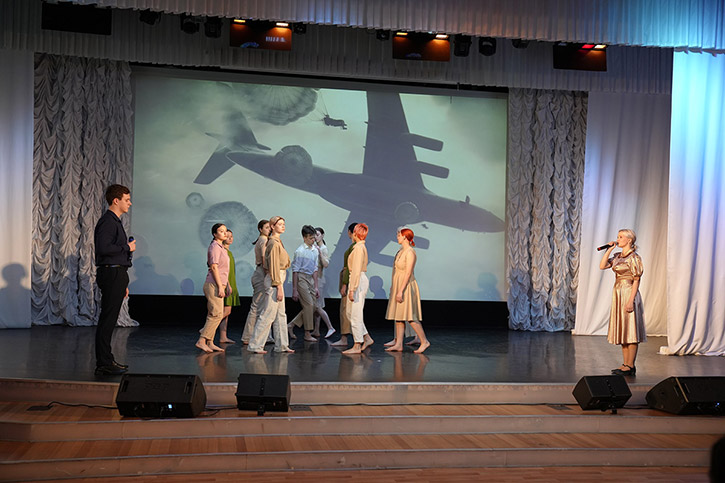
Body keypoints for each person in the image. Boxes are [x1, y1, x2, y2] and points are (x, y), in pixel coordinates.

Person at [93, 184, 136, 375]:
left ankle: (107, 360)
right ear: (116, 201)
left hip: (116, 274)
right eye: (127, 200)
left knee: (109, 319)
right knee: (108, 320)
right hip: (111, 273)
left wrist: (122, 282)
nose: (130, 203)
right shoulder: (108, 222)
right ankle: (104, 362)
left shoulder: (114, 221)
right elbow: (104, 248)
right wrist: (127, 248)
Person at [600, 228, 645, 376]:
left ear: (629, 240)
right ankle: (625, 364)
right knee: (624, 330)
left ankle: (631, 365)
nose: (618, 239)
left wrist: (631, 300)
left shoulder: (634, 257)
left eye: (620, 237)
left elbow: (636, 280)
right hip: (618, 293)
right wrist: (609, 249)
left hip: (628, 292)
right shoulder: (617, 256)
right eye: (618, 237)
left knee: (631, 330)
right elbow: (602, 265)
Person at [247, 216, 294, 354]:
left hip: (278, 278)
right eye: (280, 224)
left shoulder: (277, 241)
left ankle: (282, 345)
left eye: (284, 224)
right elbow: (273, 266)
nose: (283, 226)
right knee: (268, 313)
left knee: (280, 314)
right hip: (275, 280)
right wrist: (278, 286)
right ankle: (255, 345)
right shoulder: (273, 242)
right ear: (273, 226)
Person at [385, 227, 430, 353]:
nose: (397, 237)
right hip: (398, 284)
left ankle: (424, 341)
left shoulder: (410, 252)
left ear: (405, 237)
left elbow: (408, 273)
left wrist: (401, 290)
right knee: (399, 317)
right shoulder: (401, 251)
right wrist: (394, 286)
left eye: (399, 235)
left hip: (406, 286)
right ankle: (399, 344)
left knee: (410, 316)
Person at [196, 223, 230, 353]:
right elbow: (214, 267)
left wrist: (227, 285)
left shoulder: (222, 248)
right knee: (217, 314)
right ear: (215, 234)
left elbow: (223, 269)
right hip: (214, 284)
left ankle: (210, 342)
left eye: (225, 231)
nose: (224, 233)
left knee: (213, 313)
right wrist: (220, 286)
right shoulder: (215, 247)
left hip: (219, 283)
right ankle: (202, 340)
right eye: (221, 231)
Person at [342, 223, 374, 354]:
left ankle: (357, 344)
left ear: (355, 233)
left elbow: (355, 270)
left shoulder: (359, 248)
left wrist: (352, 289)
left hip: (358, 280)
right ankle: (366, 337)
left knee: (355, 313)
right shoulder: (358, 247)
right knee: (350, 313)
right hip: (356, 279)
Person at [288, 225, 320, 342]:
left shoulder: (315, 250)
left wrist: (316, 286)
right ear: (304, 237)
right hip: (301, 278)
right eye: (310, 238)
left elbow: (315, 269)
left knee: (314, 306)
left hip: (310, 278)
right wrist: (294, 289)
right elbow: (295, 271)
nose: (313, 240)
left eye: (314, 238)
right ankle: (307, 333)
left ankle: (291, 325)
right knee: (309, 305)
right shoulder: (300, 251)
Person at [241, 220, 271, 345]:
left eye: (270, 227)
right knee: (257, 306)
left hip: (260, 273)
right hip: (261, 273)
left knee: (261, 306)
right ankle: (248, 336)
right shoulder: (263, 240)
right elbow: (264, 259)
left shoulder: (263, 240)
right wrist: (268, 273)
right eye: (267, 227)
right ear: (260, 229)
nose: (269, 229)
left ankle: (260, 336)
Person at [331, 223, 357, 347]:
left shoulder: (355, 247)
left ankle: (345, 338)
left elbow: (350, 268)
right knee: (347, 310)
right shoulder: (354, 246)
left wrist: (345, 284)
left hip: (349, 279)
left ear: (349, 232)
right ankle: (349, 337)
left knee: (346, 310)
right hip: (347, 277)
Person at [311, 227, 335, 339]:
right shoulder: (315, 247)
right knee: (317, 307)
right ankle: (316, 330)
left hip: (319, 280)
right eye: (314, 235)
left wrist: (320, 253)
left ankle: (330, 327)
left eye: (318, 234)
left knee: (317, 306)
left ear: (322, 235)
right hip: (315, 279)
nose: (316, 237)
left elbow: (326, 264)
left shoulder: (323, 248)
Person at [218, 229, 239, 344]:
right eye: (227, 236)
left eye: (231, 236)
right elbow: (222, 270)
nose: (230, 238)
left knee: (225, 313)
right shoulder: (223, 251)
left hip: (231, 282)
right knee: (226, 311)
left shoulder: (228, 252)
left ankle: (223, 336)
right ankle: (207, 327)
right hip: (226, 283)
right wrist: (227, 284)